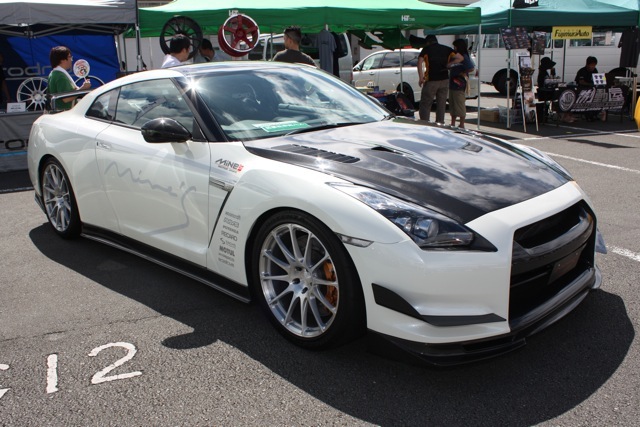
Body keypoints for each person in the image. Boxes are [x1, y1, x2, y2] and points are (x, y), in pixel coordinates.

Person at [417, 34, 453, 123]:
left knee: (426, 103)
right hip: (444, 79)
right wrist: (449, 64)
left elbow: (419, 62)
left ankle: (425, 123)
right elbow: (460, 57)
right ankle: (440, 123)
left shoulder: (426, 49)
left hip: (431, 80)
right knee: (441, 104)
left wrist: (421, 78)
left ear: (428, 42)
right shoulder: (447, 49)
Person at [47, 46, 91, 111]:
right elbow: (66, 98)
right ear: (62, 60)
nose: (71, 60)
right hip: (64, 112)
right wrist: (83, 88)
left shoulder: (54, 73)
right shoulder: (60, 76)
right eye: (69, 57)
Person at [447, 39, 475, 128]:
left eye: (455, 46)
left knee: (459, 104)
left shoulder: (464, 56)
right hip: (452, 83)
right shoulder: (456, 56)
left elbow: (471, 68)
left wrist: (462, 73)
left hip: (459, 84)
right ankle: (453, 122)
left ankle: (462, 124)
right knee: (452, 104)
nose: (454, 48)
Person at [575, 56, 604, 121]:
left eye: (594, 65)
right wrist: (590, 84)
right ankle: (588, 115)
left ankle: (595, 114)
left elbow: (597, 79)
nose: (593, 67)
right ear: (587, 64)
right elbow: (581, 82)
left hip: (592, 90)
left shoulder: (595, 70)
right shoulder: (582, 71)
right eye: (592, 65)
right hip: (582, 90)